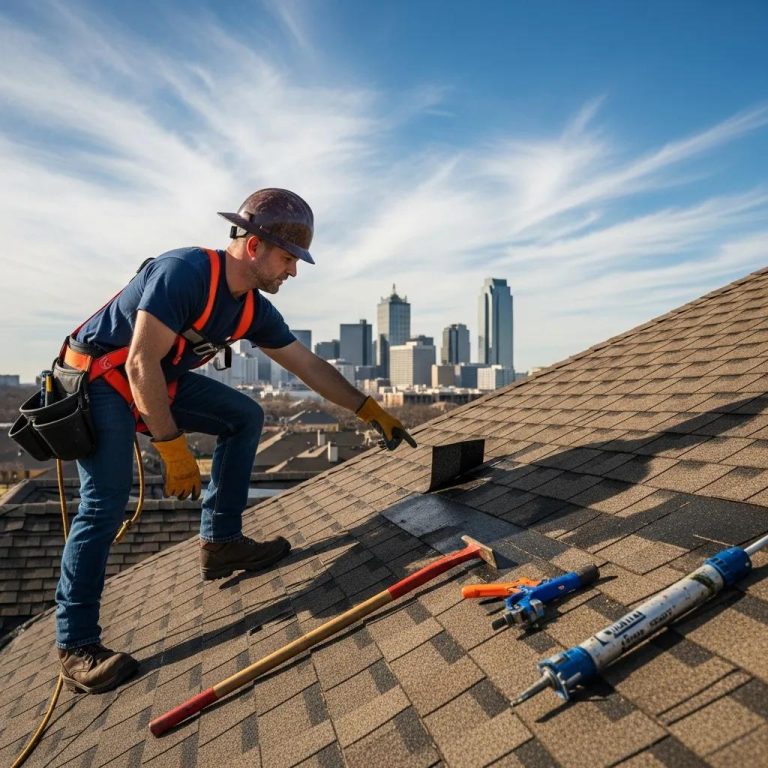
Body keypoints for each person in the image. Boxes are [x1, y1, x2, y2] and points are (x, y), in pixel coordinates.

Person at [54, 188, 416, 694]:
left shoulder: (251, 310)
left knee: (244, 415)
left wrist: (367, 408)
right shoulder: (183, 273)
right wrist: (171, 447)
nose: (292, 271)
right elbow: (138, 363)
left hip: (155, 379)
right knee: (104, 504)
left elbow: (308, 366)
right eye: (288, 258)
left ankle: (220, 543)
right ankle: (76, 647)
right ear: (253, 247)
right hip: (102, 381)